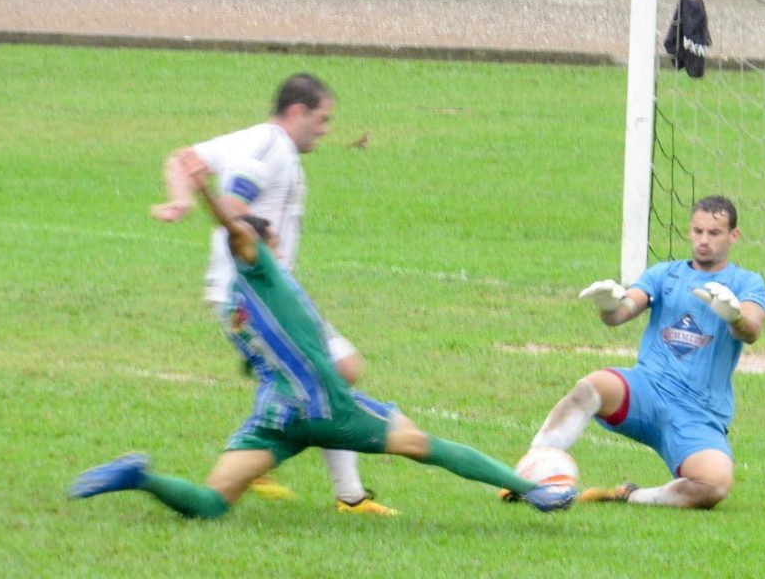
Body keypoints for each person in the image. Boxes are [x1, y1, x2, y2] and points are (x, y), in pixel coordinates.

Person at [70, 171, 578, 517]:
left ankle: (142, 478)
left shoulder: (232, 303)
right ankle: (535, 491)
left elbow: (257, 360)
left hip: (275, 417)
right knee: (427, 446)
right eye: (262, 243)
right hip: (326, 408)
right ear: (265, 246)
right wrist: (208, 195)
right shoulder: (263, 270)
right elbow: (236, 232)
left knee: (214, 502)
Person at [150, 72, 393, 515]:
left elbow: (181, 158)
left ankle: (306, 478)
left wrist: (181, 200)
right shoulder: (270, 147)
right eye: (322, 118)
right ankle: (342, 493)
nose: (326, 129)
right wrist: (239, 227)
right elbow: (235, 200)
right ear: (297, 112)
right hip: (256, 296)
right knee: (336, 373)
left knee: (316, 379)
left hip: (255, 295)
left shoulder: (250, 138)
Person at [525, 195, 765, 509]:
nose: (703, 240)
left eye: (714, 233)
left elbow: (751, 329)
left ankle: (632, 496)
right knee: (591, 387)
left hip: (698, 415)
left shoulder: (747, 282)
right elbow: (623, 312)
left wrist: (734, 316)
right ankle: (529, 476)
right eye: (698, 231)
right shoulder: (665, 274)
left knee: (714, 485)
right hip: (648, 391)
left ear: (733, 236)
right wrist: (609, 306)